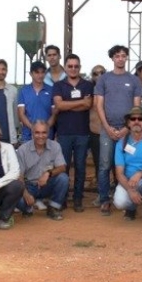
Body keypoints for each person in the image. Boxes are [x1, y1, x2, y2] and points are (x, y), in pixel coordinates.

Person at [95, 45, 142, 216]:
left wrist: (127, 128)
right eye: (117, 56)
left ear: (126, 58)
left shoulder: (134, 80)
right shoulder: (104, 79)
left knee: (127, 165)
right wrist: (107, 127)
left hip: (128, 131)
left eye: (123, 56)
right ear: (112, 58)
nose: (120, 59)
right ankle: (104, 200)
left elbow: (137, 108)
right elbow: (98, 105)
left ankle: (126, 199)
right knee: (105, 165)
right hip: (106, 129)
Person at [52, 53, 93, 212]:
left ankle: (77, 199)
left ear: (80, 67)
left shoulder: (88, 85)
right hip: (64, 133)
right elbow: (59, 106)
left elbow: (88, 105)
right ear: (66, 67)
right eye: (70, 66)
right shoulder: (59, 85)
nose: (73, 69)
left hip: (82, 132)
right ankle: (62, 199)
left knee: (81, 167)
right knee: (64, 167)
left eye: (76, 66)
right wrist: (80, 101)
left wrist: (67, 103)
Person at [16, 121, 69, 220]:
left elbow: (62, 167)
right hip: (29, 186)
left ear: (48, 133)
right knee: (17, 198)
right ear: (32, 133)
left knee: (63, 178)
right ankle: (28, 208)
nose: (41, 136)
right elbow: (19, 176)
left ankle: (53, 207)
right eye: (37, 132)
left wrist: (48, 173)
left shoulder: (55, 146)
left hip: (46, 185)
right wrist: (26, 194)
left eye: (44, 132)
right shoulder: (23, 149)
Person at [18, 61, 55, 143]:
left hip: (47, 136)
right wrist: (33, 128)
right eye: (37, 72)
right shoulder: (23, 91)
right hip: (28, 136)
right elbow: (21, 114)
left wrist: (44, 129)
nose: (40, 75)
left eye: (42, 72)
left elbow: (54, 114)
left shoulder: (51, 90)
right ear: (31, 74)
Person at [88, 64, 106, 206]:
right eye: (95, 73)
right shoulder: (88, 90)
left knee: (114, 164)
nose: (99, 75)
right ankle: (102, 194)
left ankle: (118, 192)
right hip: (94, 133)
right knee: (99, 165)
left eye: (102, 72)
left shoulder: (111, 88)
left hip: (109, 132)